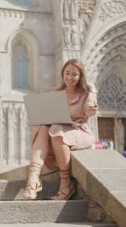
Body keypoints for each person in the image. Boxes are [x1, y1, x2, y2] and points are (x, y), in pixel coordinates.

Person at [22, 59, 98, 200]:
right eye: (67, 73)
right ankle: (33, 178)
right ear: (62, 74)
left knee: (56, 129)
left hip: (79, 132)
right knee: (45, 128)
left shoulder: (86, 93)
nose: (69, 77)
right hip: (57, 134)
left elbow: (90, 110)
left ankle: (65, 183)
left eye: (74, 74)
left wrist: (92, 90)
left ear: (80, 76)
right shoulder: (57, 93)